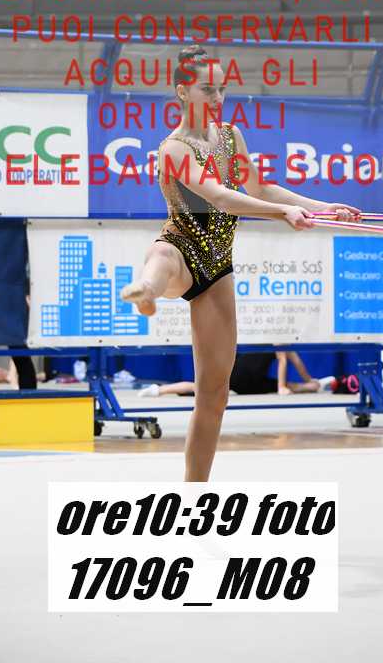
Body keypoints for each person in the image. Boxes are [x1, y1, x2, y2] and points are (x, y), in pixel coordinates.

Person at [120, 45, 360, 481]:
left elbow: (260, 188)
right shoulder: (173, 149)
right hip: (182, 247)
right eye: (206, 89)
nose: (217, 98)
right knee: (162, 255)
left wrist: (321, 207)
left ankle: (194, 496)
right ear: (182, 92)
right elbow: (220, 196)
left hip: (216, 267)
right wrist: (282, 214)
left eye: (222, 89)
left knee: (214, 395)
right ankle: (146, 292)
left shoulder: (231, 136)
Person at [138, 351, 324, 398]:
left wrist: (309, 380)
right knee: (200, 387)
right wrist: (282, 387)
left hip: (252, 381)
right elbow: (283, 361)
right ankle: (158, 390)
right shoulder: (276, 338)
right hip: (240, 375)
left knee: (200, 388)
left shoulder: (287, 343)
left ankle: (317, 385)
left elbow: (297, 363)